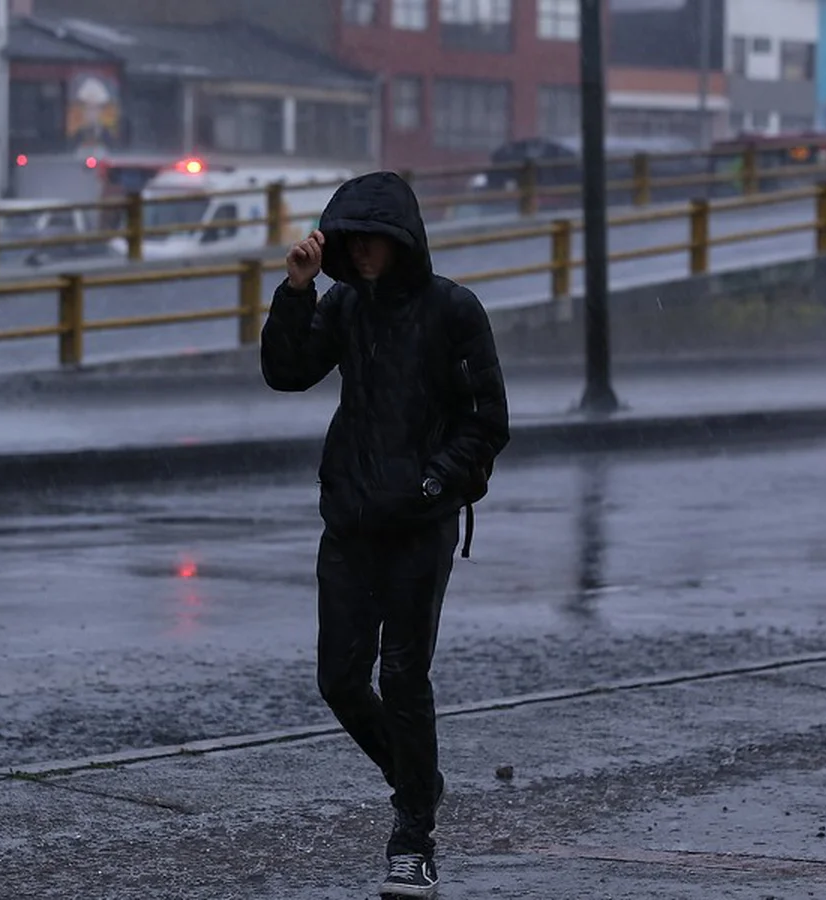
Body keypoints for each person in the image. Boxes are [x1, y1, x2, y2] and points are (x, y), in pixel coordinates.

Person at [260, 171, 510, 897]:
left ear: (402, 241)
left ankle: (412, 836)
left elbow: (487, 421)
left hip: (417, 527)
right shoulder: (343, 305)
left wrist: (435, 482)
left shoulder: (453, 311)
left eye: (373, 241)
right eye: (349, 241)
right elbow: (286, 373)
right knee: (339, 678)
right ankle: (419, 780)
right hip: (349, 520)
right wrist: (298, 290)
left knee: (403, 677)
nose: (361, 253)